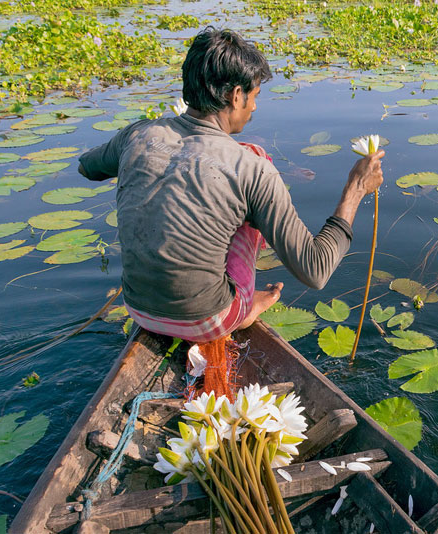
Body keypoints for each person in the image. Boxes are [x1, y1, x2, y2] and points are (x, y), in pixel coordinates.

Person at [78, 28, 384, 342]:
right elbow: (316, 271)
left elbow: (87, 167)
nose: (253, 107)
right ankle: (244, 306)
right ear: (236, 96)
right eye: (254, 97)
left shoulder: (138, 135)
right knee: (257, 159)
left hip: (138, 310)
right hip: (207, 320)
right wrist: (356, 188)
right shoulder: (251, 169)